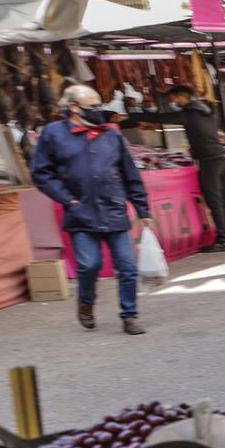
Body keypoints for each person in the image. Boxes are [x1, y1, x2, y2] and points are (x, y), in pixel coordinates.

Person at [30, 84, 152, 335]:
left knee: (127, 267)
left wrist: (143, 209)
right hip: (81, 212)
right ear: (73, 107)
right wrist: (67, 199)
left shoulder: (112, 134)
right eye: (93, 106)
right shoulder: (53, 133)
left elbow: (130, 174)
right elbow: (41, 174)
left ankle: (130, 316)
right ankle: (86, 302)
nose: (99, 110)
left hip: (114, 209)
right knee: (89, 265)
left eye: (100, 105)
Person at [130, 81, 225, 251]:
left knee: (215, 201)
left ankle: (223, 241)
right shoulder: (208, 111)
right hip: (219, 158)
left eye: (174, 99)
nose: (174, 103)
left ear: (181, 98)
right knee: (224, 201)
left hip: (209, 162)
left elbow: (162, 118)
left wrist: (132, 116)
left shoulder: (190, 113)